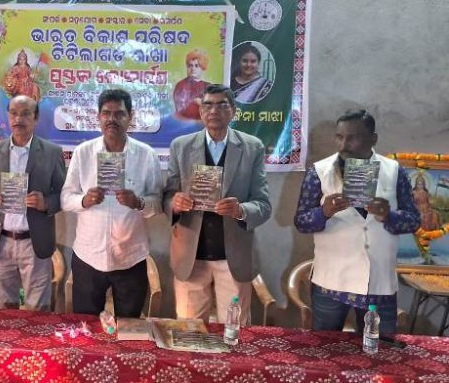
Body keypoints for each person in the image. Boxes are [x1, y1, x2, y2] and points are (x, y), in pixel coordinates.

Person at [294, 109, 420, 334]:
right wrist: (323, 212)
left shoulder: (394, 171)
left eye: (352, 138)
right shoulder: (319, 172)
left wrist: (388, 216)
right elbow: (302, 222)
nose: (344, 145)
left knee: (379, 348)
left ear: (373, 139)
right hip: (331, 282)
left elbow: (413, 221)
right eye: (339, 137)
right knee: (325, 348)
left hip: (379, 282)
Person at [164, 84, 271, 325]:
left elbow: (263, 205)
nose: (214, 111)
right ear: (201, 111)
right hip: (191, 257)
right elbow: (168, 196)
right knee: (189, 331)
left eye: (222, 105)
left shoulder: (252, 147)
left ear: (233, 111)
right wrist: (175, 203)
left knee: (234, 331)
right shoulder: (181, 146)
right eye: (208, 105)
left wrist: (241, 210)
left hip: (233, 257)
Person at [61, 88, 163, 317]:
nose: (112, 119)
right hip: (88, 257)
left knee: (128, 327)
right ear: (98, 117)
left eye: (119, 114)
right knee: (86, 326)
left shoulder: (146, 155)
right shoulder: (83, 152)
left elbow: (158, 204)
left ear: (130, 117)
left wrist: (138, 202)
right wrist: (84, 200)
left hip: (130, 258)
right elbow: (66, 199)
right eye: (106, 113)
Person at [0, 95, 65, 311]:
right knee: (3, 310)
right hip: (1, 241)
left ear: (36, 118)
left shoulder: (52, 152)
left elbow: (63, 195)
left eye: (25, 114)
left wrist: (45, 203)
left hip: (34, 243)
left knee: (37, 311)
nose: (18, 119)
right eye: (14, 114)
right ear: (8, 117)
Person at [173, 48, 210, 120]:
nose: (193, 69)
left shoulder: (208, 86)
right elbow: (180, 109)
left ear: (202, 67)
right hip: (185, 123)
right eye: (190, 65)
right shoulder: (181, 85)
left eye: (196, 66)